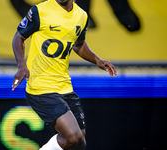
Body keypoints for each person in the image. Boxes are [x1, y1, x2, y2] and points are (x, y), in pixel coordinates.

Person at [12, 0, 117, 149]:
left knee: (79, 143)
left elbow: (79, 44)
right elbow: (18, 37)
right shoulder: (40, 11)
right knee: (72, 136)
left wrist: (97, 60)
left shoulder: (81, 16)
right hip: (41, 87)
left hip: (64, 86)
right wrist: (22, 66)